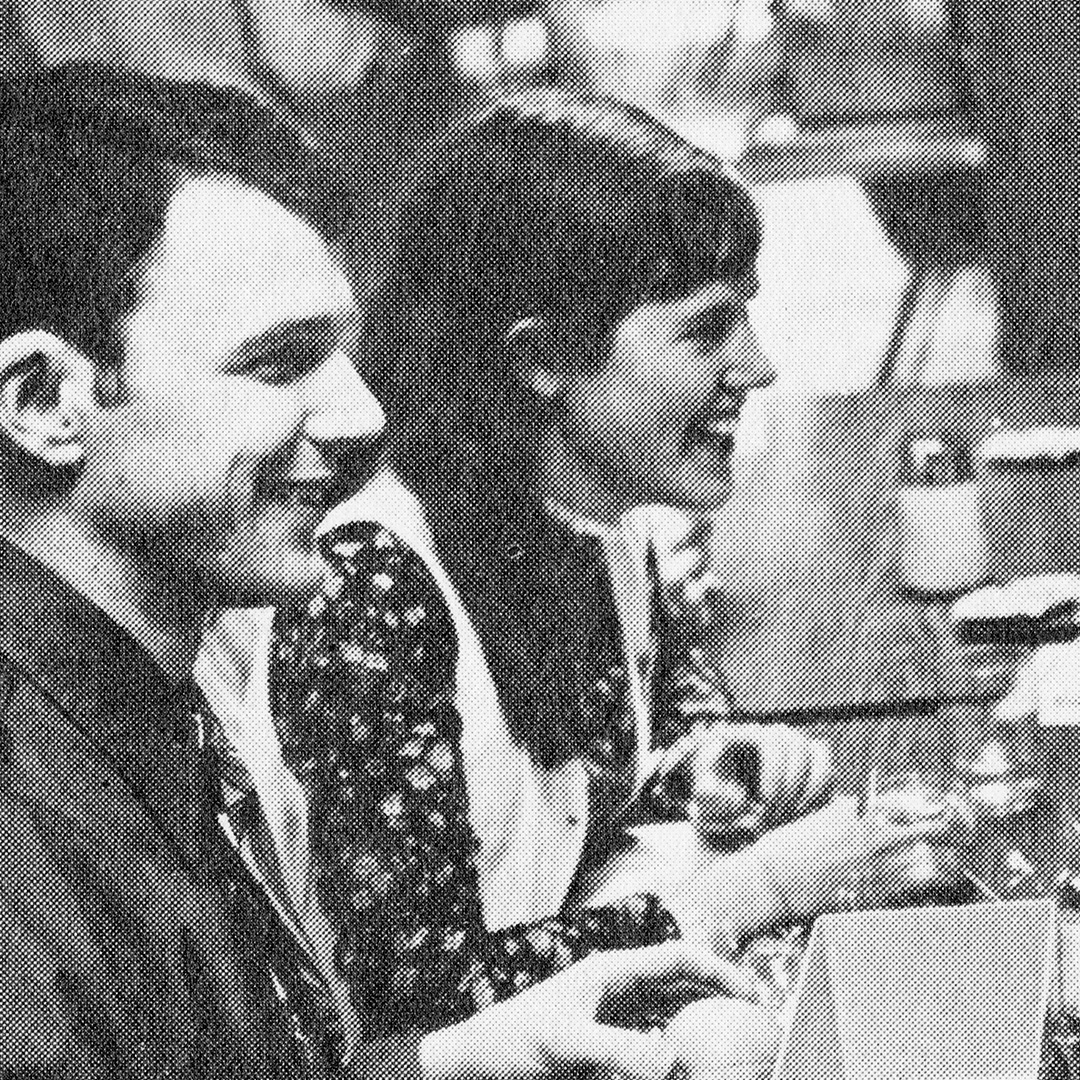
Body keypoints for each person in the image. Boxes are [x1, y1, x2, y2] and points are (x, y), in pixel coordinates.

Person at [0, 62, 770, 1079]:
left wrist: (457, 1058)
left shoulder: (140, 705)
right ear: (47, 403)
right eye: (279, 363)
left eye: (343, 355)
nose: (364, 416)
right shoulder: (28, 834)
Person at [197, 88, 964, 1052]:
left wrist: (708, 759)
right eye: (705, 329)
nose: (759, 366)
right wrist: (755, 889)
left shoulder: (595, 511)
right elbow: (419, 1003)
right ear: (546, 359)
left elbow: (620, 730)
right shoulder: (372, 589)